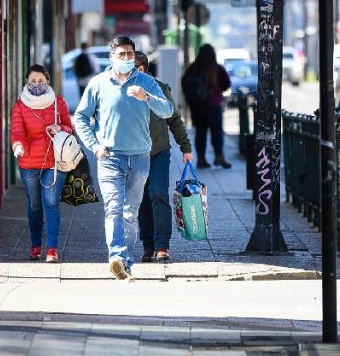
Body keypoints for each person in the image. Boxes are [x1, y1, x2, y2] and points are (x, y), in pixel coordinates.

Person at [74, 36, 174, 281]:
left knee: (130, 212)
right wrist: (95, 146)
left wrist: (147, 98)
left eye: (130, 54)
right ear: (111, 58)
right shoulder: (98, 84)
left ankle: (126, 264)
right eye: (121, 54)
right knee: (114, 208)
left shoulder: (147, 82)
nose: (127, 58)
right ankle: (116, 257)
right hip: (109, 158)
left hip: (140, 158)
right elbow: (80, 117)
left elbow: (168, 111)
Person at [10, 64, 75, 263]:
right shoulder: (20, 105)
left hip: (54, 162)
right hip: (29, 163)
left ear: (47, 80)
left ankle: (52, 249)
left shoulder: (58, 102)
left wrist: (60, 127)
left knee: (51, 203)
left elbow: (70, 128)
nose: (36, 84)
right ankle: (36, 245)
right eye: (32, 81)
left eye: (40, 80)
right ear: (27, 82)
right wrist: (18, 145)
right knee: (35, 206)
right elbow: (17, 131)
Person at [133, 50, 192, 263]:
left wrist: (186, 148)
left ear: (142, 69)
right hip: (135, 154)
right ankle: (148, 245)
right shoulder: (122, 91)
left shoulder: (159, 89)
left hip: (159, 152)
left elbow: (174, 119)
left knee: (158, 194)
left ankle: (162, 245)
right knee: (141, 200)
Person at [182, 44, 231, 168]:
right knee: (217, 132)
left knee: (200, 133)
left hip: (197, 107)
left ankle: (201, 159)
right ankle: (219, 156)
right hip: (213, 106)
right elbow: (226, 84)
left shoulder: (193, 68)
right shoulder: (216, 68)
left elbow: (184, 83)